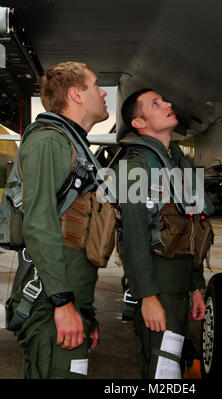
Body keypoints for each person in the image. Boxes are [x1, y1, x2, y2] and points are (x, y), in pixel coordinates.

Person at [10, 61, 109, 379]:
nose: (103, 91)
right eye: (95, 85)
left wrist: (85, 314)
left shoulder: (74, 147)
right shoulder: (50, 142)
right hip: (51, 301)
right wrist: (64, 305)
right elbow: (39, 223)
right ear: (76, 94)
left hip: (68, 301)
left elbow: (77, 235)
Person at [117, 88, 207, 379]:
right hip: (158, 288)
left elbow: (192, 229)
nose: (168, 103)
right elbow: (132, 239)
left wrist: (196, 286)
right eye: (155, 104)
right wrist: (148, 297)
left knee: (173, 368)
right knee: (162, 373)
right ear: (139, 123)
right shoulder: (134, 167)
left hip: (179, 288)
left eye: (164, 100)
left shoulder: (179, 162)